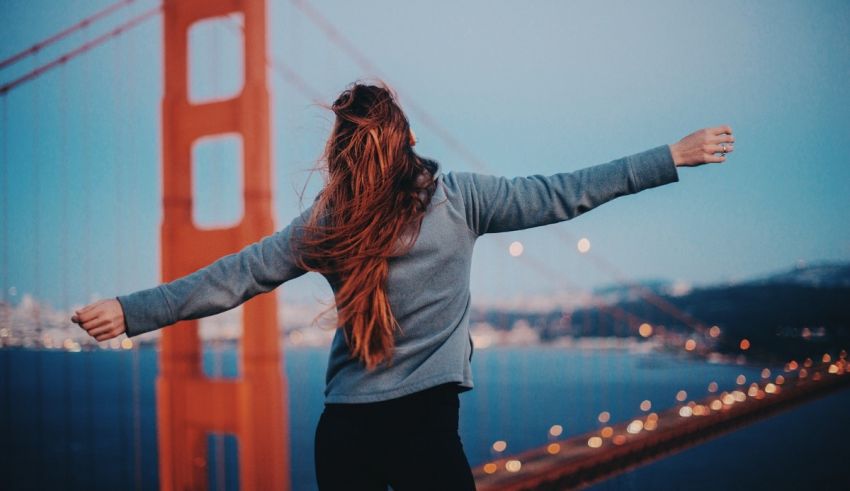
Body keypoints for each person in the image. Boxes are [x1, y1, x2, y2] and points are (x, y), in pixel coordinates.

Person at [71, 81, 734, 490]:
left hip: (343, 432)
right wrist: (668, 155)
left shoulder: (324, 223)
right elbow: (565, 193)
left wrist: (129, 312)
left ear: (341, 149)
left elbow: (233, 276)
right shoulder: (460, 199)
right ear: (407, 139)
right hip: (424, 432)